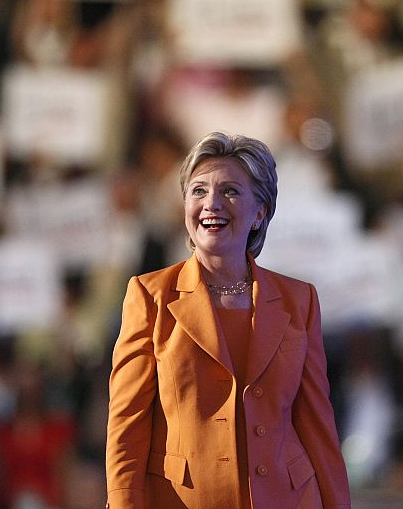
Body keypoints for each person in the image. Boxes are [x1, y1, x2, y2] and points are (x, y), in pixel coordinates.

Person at [106, 132, 351, 508]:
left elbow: (317, 425)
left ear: (259, 212)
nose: (211, 204)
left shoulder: (299, 301)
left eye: (231, 191)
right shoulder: (149, 295)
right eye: (199, 191)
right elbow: (127, 426)